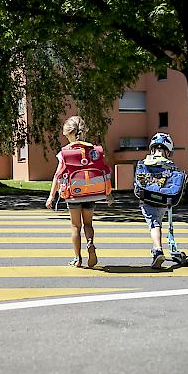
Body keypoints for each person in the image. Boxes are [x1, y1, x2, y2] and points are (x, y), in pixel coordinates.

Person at [45, 115, 113, 268]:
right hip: (92, 193)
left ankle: (77, 258)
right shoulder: (94, 151)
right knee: (88, 224)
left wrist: (51, 196)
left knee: (76, 226)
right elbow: (104, 171)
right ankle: (90, 243)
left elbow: (57, 175)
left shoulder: (65, 153)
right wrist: (108, 193)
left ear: (68, 133)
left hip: (73, 195)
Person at [136, 132, 177, 268]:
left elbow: (138, 182)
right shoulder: (170, 165)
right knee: (158, 221)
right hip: (164, 200)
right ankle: (160, 247)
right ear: (168, 150)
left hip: (148, 199)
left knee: (154, 224)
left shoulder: (145, 163)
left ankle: (158, 249)